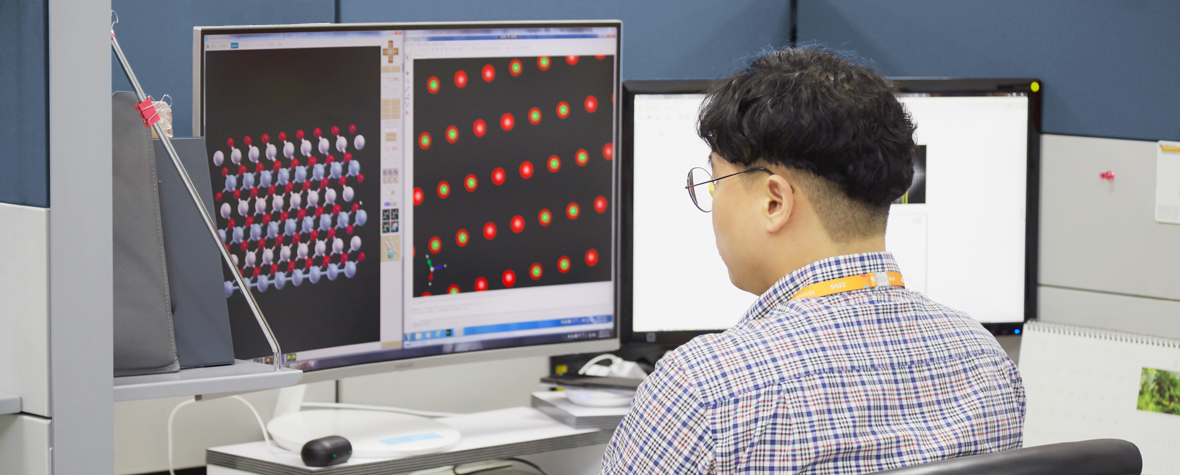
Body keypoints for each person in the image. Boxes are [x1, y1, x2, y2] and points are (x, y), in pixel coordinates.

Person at [600, 47, 1024, 474]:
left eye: (715, 182)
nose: (713, 199)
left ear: (774, 201)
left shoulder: (705, 389)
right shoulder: (986, 363)